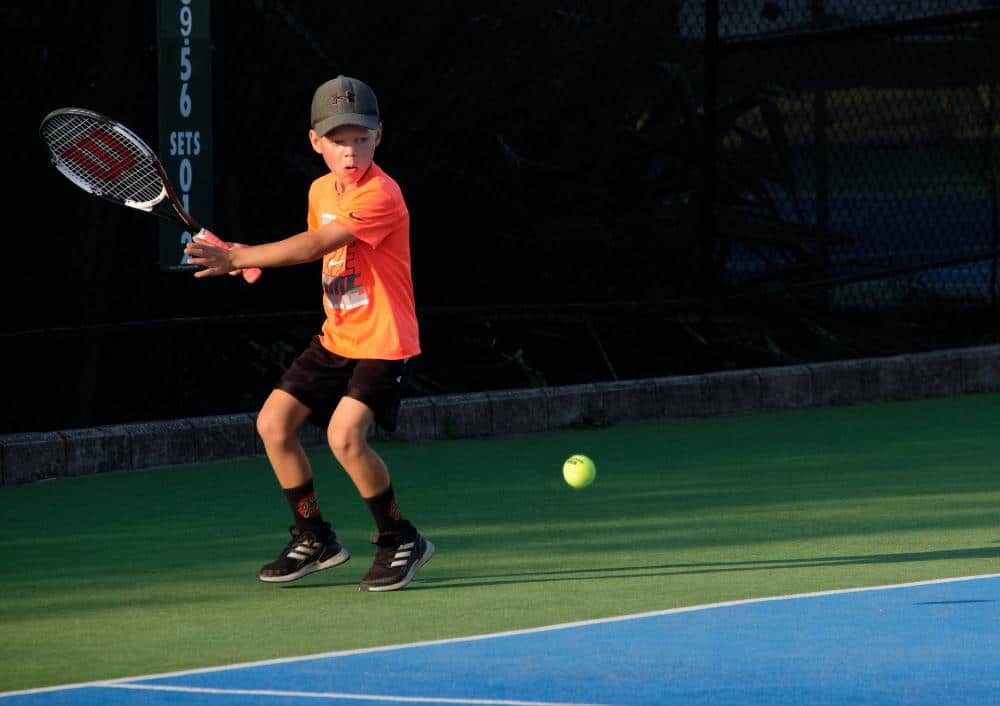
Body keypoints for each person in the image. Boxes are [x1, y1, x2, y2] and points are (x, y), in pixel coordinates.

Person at [184, 75, 432, 592]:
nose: (350, 151)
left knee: (345, 436)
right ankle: (314, 535)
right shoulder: (320, 189)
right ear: (316, 142)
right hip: (337, 335)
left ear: (379, 136)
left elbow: (318, 242)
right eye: (338, 140)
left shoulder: (382, 194)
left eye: (361, 138)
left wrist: (239, 256)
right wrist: (247, 260)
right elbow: (323, 251)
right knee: (273, 424)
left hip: (384, 339)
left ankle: (399, 538)